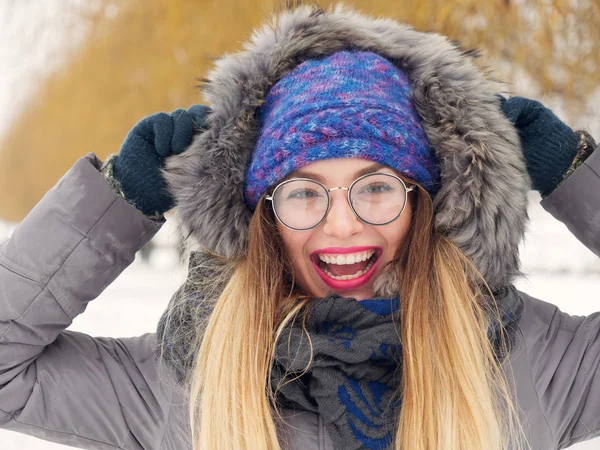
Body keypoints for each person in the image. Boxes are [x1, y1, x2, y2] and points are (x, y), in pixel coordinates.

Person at [1, 4, 599, 450]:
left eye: (378, 187)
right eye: (304, 193)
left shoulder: (525, 358)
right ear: (262, 216)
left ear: (423, 205)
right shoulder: (185, 378)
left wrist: (574, 174)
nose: (342, 226)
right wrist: (115, 204)